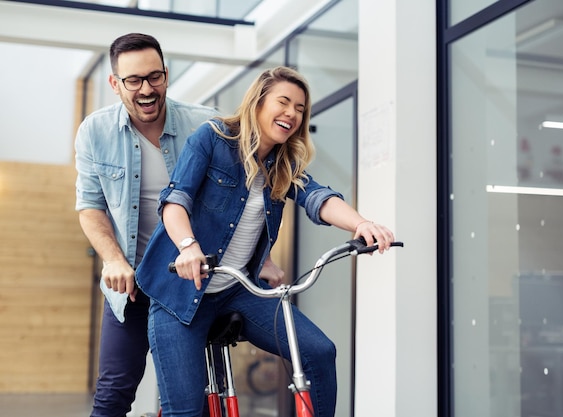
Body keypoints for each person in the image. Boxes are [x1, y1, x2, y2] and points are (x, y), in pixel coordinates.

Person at [135, 66, 395, 417]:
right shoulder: (212, 139)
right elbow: (175, 201)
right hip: (179, 292)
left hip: (238, 290)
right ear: (258, 103)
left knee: (318, 352)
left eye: (300, 108)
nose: (292, 113)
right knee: (185, 411)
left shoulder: (283, 163)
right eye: (284, 102)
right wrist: (187, 247)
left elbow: (317, 197)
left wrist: (362, 223)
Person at [74, 33, 282, 417]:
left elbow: (248, 194)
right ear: (115, 83)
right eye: (133, 80)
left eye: (155, 77)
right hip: (134, 283)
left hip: (196, 283)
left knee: (195, 400)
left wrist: (261, 257)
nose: (146, 89)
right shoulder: (95, 131)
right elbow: (90, 206)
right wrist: (113, 259)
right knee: (114, 392)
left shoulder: (207, 125)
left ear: (167, 75)